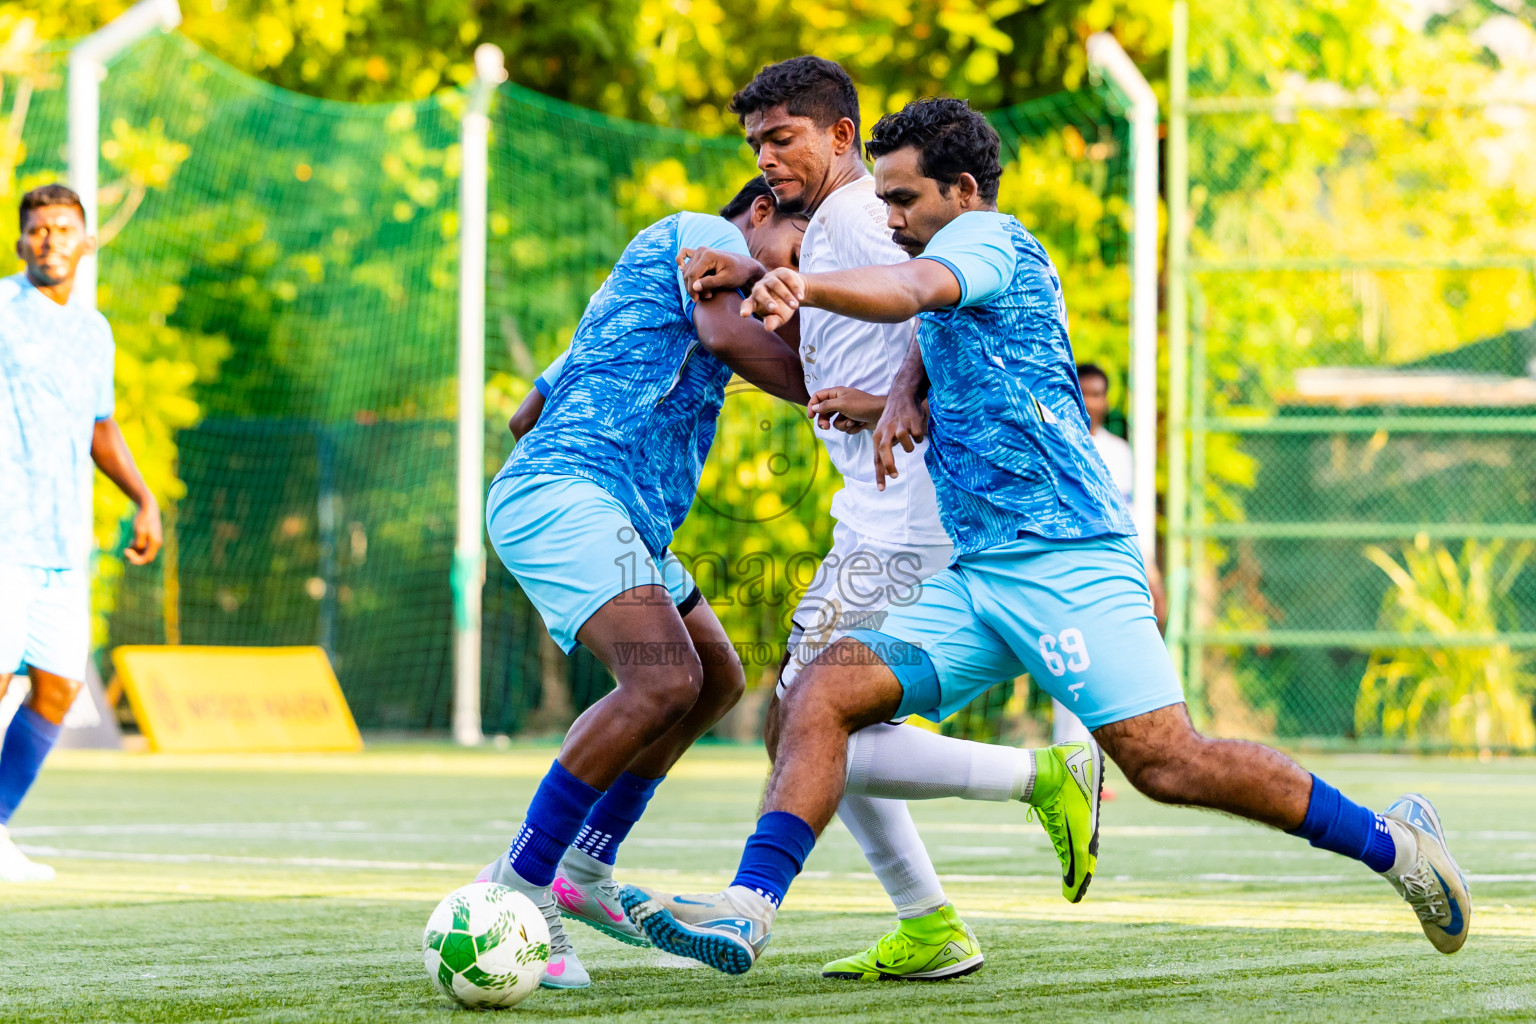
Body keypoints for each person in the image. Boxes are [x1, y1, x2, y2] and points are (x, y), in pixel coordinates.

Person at [619, 98, 1472, 974]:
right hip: (979, 571)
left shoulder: (990, 239)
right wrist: (898, 392)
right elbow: (931, 323)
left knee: (1166, 764)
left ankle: (1393, 843)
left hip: (1066, 557)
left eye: (904, 199)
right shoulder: (944, 260)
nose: (891, 217)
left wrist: (805, 284)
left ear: (963, 190)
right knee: (819, 694)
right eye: (884, 200)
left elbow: (914, 292)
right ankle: (750, 908)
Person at [678, 56, 1090, 982]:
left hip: (910, 510)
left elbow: (947, 313)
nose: (765, 159)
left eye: (780, 139)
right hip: (874, 509)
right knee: (807, 719)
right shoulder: (834, 228)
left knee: (808, 719)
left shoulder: (869, 214)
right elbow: (854, 335)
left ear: (840, 136)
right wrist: (759, 274)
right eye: (754, 144)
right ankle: (931, 920)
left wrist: (899, 397)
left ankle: (1034, 783)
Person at [477, 177, 808, 990]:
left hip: (613, 511)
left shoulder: (636, 300)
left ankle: (586, 866)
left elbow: (525, 414)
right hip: (570, 491)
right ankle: (520, 881)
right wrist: (829, 389)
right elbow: (725, 336)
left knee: (715, 677)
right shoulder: (704, 235)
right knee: (662, 680)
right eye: (797, 254)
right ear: (760, 212)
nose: (792, 277)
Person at [0, 184, 162, 882]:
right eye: (38, 229)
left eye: (63, 229)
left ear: (86, 241)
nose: (50, 240)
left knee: (59, 689)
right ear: (20, 242)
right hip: (4, 535)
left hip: (64, 545)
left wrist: (143, 498)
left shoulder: (95, 331)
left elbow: (100, 426)